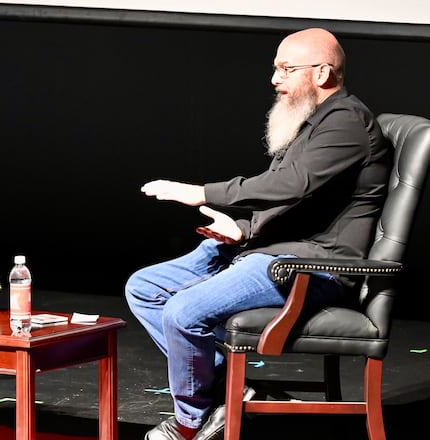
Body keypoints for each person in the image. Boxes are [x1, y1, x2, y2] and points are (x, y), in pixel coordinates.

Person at [125, 28, 392, 440]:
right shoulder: (312, 122)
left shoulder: (346, 123)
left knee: (183, 311)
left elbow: (290, 187)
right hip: (267, 249)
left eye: (286, 69)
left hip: (309, 266)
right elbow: (302, 201)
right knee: (145, 288)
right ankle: (228, 392)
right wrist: (243, 228)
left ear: (321, 73)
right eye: (275, 69)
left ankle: (191, 422)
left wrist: (200, 193)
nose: (274, 79)